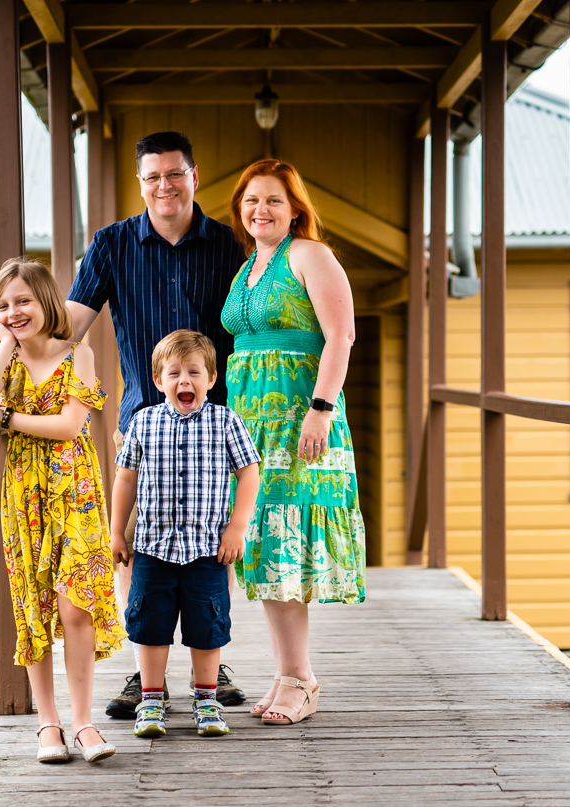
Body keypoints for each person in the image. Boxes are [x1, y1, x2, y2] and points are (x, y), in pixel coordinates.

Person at [64, 131, 249, 717]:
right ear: (140, 183)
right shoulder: (112, 245)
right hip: (143, 421)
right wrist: (9, 349)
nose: (163, 186)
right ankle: (143, 676)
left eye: (174, 174)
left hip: (216, 423)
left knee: (208, 547)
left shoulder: (228, 245)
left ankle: (208, 665)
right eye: (152, 177)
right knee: (139, 548)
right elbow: (68, 324)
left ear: (195, 176)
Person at [0, 258, 125, 763]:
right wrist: (6, 344)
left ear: (46, 301)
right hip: (25, 495)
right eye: (3, 306)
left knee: (76, 605)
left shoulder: (80, 354)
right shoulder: (7, 361)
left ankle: (83, 722)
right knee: (34, 603)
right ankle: (47, 725)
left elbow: (69, 426)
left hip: (74, 490)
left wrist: (7, 417)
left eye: (23, 301)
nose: (14, 311)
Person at [221, 159, 366, 725]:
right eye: (251, 200)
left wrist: (321, 410)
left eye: (273, 201)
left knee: (282, 543)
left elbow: (342, 335)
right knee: (261, 544)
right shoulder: (249, 268)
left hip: (299, 420)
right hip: (250, 422)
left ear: (295, 208)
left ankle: (300, 678)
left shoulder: (310, 255)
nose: (261, 209)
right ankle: (288, 674)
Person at [110, 330, 260, 737]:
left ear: (211, 378)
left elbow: (249, 472)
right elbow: (125, 479)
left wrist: (237, 527)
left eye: (194, 372)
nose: (184, 381)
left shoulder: (226, 422)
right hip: (153, 550)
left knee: (206, 628)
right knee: (149, 627)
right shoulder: (143, 422)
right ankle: (153, 698)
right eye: (173, 373)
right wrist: (116, 533)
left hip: (207, 550)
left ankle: (206, 698)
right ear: (158, 381)